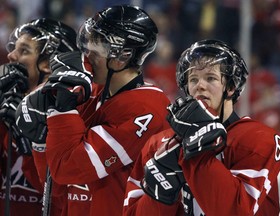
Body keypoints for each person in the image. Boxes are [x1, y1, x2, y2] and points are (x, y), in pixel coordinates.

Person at [16, 4, 171, 216]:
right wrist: (41, 141)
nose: (86, 56)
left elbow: (68, 168)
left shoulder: (148, 107)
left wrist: (62, 109)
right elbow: (57, 187)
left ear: (122, 56)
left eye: (95, 49)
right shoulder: (91, 92)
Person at [123, 39, 280, 215]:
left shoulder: (257, 138)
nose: (199, 86)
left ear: (231, 87)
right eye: (193, 79)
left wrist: (197, 152)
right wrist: (160, 195)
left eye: (211, 78)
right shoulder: (159, 144)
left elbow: (236, 211)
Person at [0, 18, 78, 216]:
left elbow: (57, 197)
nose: (11, 55)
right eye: (14, 48)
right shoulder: (5, 101)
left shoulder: (68, 117)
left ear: (48, 65)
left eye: (24, 51)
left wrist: (28, 137)